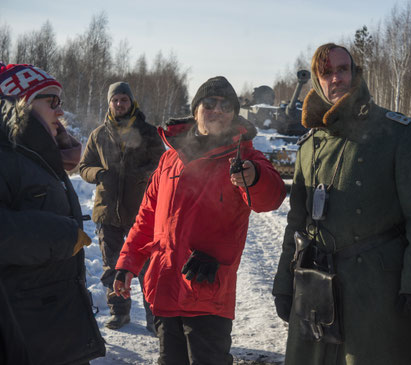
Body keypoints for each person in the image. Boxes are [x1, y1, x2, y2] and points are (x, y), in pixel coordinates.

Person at [272, 43, 411, 364]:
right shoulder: (310, 144)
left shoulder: (396, 133)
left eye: (343, 69)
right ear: (316, 80)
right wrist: (285, 283)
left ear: (355, 74)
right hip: (316, 290)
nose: (336, 78)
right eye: (326, 72)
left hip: (379, 293)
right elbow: (297, 224)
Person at [112, 76, 286, 364]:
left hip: (207, 290)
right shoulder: (170, 160)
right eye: (209, 103)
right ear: (196, 110)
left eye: (225, 105)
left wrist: (254, 177)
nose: (217, 110)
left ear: (234, 115)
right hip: (165, 288)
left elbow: (272, 197)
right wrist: (127, 265)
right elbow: (147, 218)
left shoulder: (244, 156)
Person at [0, 63, 105, 364]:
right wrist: (59, 236)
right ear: (22, 103)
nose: (61, 111)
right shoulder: (6, 157)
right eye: (53, 101)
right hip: (25, 331)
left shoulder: (37, 158)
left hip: (52, 325)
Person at [79, 81, 165, 331]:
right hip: (107, 211)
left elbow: (162, 164)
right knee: (112, 266)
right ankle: (119, 312)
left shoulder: (148, 132)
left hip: (142, 212)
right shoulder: (98, 135)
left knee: (148, 266)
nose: (119, 104)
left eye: (123, 100)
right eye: (115, 100)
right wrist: (98, 174)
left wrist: (143, 174)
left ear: (131, 102)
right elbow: (84, 167)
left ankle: (153, 316)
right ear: (109, 103)